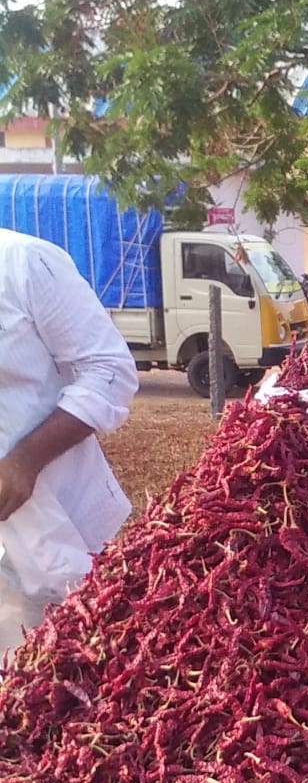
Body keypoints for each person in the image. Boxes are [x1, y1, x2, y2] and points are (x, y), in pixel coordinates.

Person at [0, 227, 138, 650]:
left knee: (77, 670)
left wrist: (27, 459)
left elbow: (110, 373)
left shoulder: (24, 262)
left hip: (61, 535)